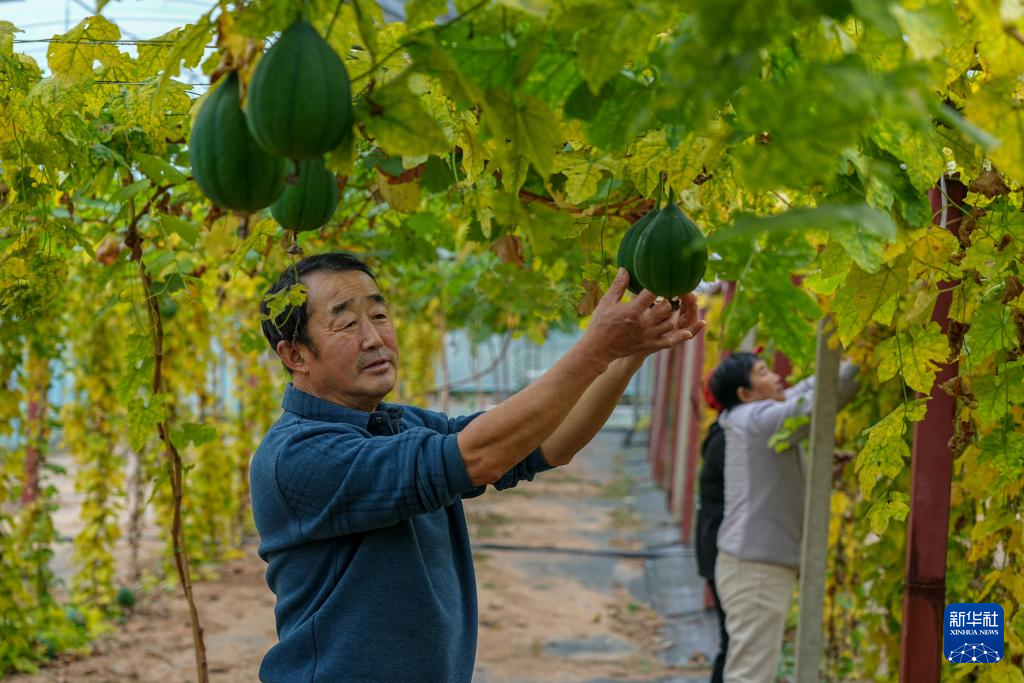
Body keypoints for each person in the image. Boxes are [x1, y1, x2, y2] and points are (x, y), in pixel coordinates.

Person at [249, 252, 706, 683]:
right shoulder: (297, 455)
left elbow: (548, 443)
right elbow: (478, 456)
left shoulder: (400, 424)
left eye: (380, 315)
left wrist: (628, 355)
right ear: (296, 356)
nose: (374, 337)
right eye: (347, 323)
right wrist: (594, 349)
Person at [709, 351, 858, 683]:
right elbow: (820, 400)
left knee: (749, 667)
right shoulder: (759, 420)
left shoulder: (748, 418)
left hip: (749, 565)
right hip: (756, 571)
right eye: (763, 373)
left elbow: (802, 390)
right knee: (751, 674)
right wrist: (862, 357)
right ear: (745, 394)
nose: (776, 376)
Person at [695, 374, 727, 683]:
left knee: (732, 638)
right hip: (721, 552)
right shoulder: (728, 440)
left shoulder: (721, 434)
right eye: (762, 372)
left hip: (714, 549)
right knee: (733, 641)